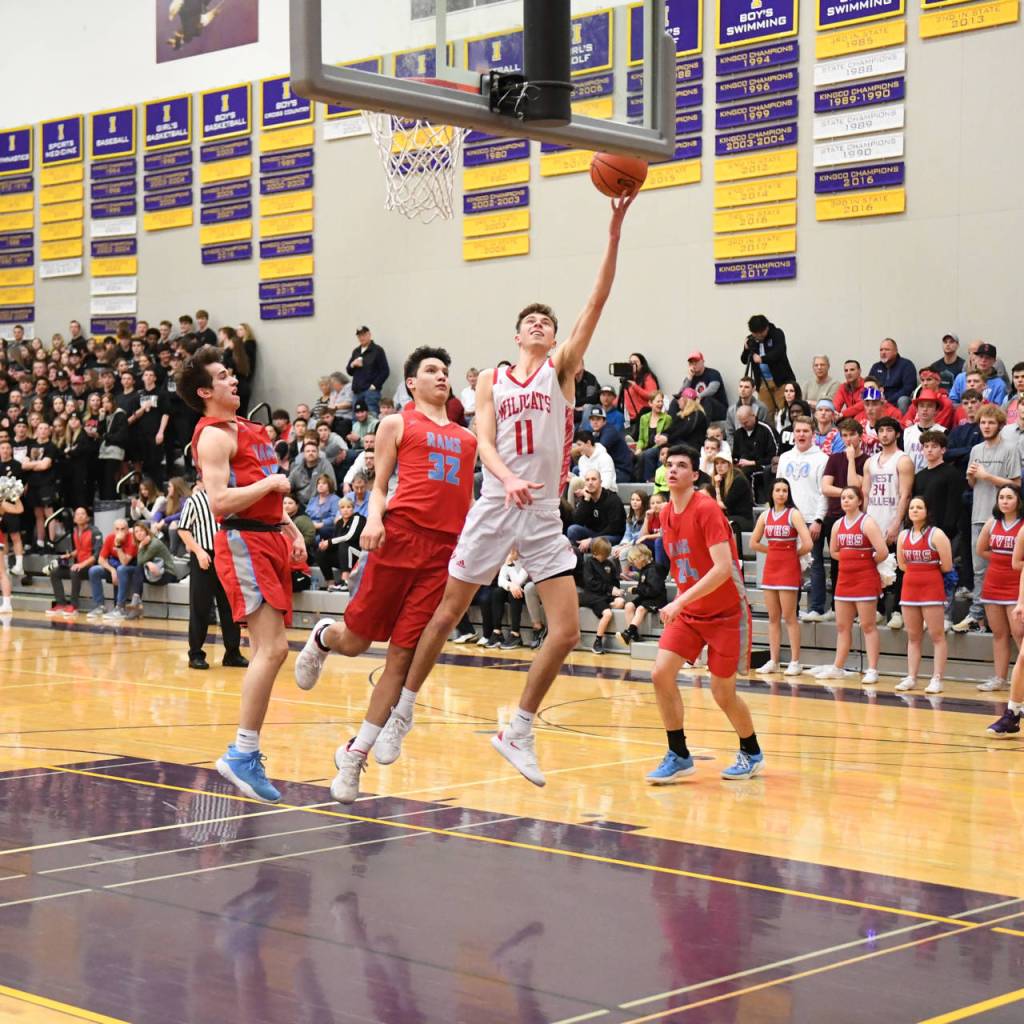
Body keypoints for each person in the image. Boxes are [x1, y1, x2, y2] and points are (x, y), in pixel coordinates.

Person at [368, 195, 634, 787]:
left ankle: (517, 728)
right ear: (516, 333)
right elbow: (483, 440)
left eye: (548, 323)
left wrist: (613, 232)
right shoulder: (492, 378)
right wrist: (506, 476)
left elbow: (597, 300)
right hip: (495, 503)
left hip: (541, 513)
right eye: (531, 322)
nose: (540, 327)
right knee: (447, 613)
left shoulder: (559, 369)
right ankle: (401, 713)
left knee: (566, 632)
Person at [292, 347, 478, 803]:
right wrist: (374, 520)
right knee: (355, 642)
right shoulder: (396, 424)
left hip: (442, 554)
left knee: (400, 658)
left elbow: (466, 502)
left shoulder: (468, 439)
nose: (441, 376)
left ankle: (355, 756)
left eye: (445, 371)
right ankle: (322, 638)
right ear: (411, 383)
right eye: (431, 370)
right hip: (399, 537)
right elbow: (379, 486)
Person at [181, 345, 304, 804]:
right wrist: (270, 486)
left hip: (270, 535)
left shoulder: (251, 428)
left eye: (232, 373)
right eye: (222, 376)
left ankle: (244, 753)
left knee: (274, 649)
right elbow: (218, 502)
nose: (233, 379)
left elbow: (267, 492)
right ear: (204, 391)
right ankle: (242, 752)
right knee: (270, 649)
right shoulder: (212, 436)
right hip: (242, 541)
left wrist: (290, 526)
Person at [644, 445, 763, 783]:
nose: (673, 470)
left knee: (722, 693)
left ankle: (751, 751)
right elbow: (682, 563)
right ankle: (679, 754)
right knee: (660, 674)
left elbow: (724, 568)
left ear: (695, 475)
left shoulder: (706, 508)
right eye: (669, 465)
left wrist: (679, 601)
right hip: (691, 611)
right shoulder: (665, 512)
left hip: (725, 611)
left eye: (682, 465)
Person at [955, 404, 1022, 634]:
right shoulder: (976, 450)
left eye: (991, 422)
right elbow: (973, 484)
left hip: (1003, 518)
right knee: (979, 569)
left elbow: (1016, 485)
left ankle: (984, 614)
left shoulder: (1010, 449)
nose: (986, 426)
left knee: (1004, 567)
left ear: (1000, 425)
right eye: (983, 422)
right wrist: (972, 477)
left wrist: (986, 475)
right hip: (979, 514)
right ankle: (979, 616)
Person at [813, 488, 888, 684]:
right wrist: (851, 557)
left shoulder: (867, 522)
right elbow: (835, 551)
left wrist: (863, 560)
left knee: (868, 625)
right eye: (843, 498)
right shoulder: (838, 524)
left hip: (865, 579)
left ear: (860, 501)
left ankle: (872, 669)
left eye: (850, 497)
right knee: (842, 626)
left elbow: (882, 551)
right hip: (845, 580)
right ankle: (838, 667)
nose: (846, 500)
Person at [177, 479, 247, 671]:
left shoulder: (232, 500)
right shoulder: (195, 500)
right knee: (200, 607)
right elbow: (183, 530)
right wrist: (198, 552)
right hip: (204, 556)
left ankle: (232, 653)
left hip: (228, 557)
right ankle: (196, 654)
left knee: (230, 608)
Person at [750, 479, 812, 676]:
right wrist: (772, 550)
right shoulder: (765, 515)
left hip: (788, 569)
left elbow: (808, 543)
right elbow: (753, 542)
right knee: (773, 617)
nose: (781, 494)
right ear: (772, 493)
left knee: (789, 616)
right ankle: (774, 661)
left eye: (785, 490)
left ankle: (795, 661)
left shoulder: (793, 514)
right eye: (777, 490)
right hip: (771, 569)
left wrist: (793, 554)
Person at [895, 496, 952, 694]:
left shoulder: (937, 535)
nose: (915, 510)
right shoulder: (903, 536)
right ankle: (911, 676)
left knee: (937, 635)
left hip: (931, 589)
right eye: (912, 507)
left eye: (919, 507)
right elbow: (902, 565)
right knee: (913, 636)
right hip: (909, 589)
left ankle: (937, 679)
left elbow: (947, 565)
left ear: (927, 511)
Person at [863, 416, 915, 629]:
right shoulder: (870, 462)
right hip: (873, 520)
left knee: (899, 569)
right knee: (874, 567)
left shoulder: (903, 460)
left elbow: (905, 495)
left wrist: (896, 523)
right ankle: (879, 608)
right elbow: (865, 494)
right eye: (881, 430)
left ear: (897, 433)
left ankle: (897, 611)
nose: (884, 434)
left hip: (893, 519)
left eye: (888, 430)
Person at [976, 485, 1024, 692]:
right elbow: (981, 549)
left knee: (1019, 633)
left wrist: (1012, 563)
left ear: (1018, 501)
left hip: (1017, 584)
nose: (1004, 501)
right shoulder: (992, 522)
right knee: (999, 633)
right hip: (994, 582)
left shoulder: (1023, 525)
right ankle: (999, 678)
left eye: (1009, 497)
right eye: (1001, 497)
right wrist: (1001, 559)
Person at [45, 507, 100, 616]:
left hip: (91, 567)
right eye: (77, 514)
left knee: (74, 571)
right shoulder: (75, 532)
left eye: (83, 514)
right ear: (74, 519)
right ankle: (61, 604)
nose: (80, 516)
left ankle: (74, 606)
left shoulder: (95, 532)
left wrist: (81, 564)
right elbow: (79, 550)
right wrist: (69, 555)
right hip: (78, 565)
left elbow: (96, 555)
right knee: (55, 572)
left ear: (87, 518)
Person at [86, 518, 139, 620]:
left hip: (131, 569)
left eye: (123, 529)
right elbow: (101, 560)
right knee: (94, 571)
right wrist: (112, 570)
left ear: (128, 530)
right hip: (116, 568)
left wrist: (118, 545)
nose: (120, 532)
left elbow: (124, 562)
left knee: (121, 569)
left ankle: (120, 608)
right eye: (117, 529)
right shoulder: (110, 538)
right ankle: (99, 606)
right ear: (113, 530)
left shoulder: (132, 540)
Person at [580, 537, 625, 654]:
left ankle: (606, 604)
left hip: (605, 595)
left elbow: (615, 580)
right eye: (603, 554)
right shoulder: (589, 563)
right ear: (595, 552)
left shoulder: (609, 563)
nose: (605, 557)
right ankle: (597, 641)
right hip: (593, 595)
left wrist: (617, 590)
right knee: (608, 614)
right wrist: (610, 589)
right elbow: (590, 583)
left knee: (620, 602)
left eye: (607, 554)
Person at [742, 314, 794, 414]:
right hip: (762, 382)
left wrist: (762, 359)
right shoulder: (751, 339)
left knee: (784, 411)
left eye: (760, 334)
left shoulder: (777, 334)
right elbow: (744, 360)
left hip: (781, 380)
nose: (758, 337)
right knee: (765, 412)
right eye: (755, 334)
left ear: (766, 328)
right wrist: (746, 349)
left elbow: (779, 352)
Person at [617, 543, 668, 645]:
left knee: (640, 609)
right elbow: (645, 588)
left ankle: (629, 633)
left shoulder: (654, 569)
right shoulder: (644, 569)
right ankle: (634, 634)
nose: (633, 565)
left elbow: (654, 590)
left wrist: (636, 590)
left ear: (641, 558)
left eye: (634, 561)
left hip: (657, 599)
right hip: (647, 597)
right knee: (629, 606)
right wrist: (637, 589)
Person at [567, 468, 626, 550]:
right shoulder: (587, 498)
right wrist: (586, 500)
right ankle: (577, 556)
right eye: (587, 480)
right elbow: (577, 521)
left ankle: (588, 548)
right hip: (593, 533)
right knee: (572, 530)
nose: (590, 482)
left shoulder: (613, 499)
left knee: (597, 541)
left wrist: (592, 540)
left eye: (594, 479)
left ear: (600, 482)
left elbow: (614, 528)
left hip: (611, 536)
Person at [731, 403, 778, 501]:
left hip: (764, 465)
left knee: (746, 472)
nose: (744, 425)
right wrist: (736, 462)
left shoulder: (766, 430)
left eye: (746, 422)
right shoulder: (738, 434)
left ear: (753, 416)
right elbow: (735, 455)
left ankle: (750, 501)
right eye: (741, 423)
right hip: (743, 465)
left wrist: (753, 462)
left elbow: (774, 455)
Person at [346, 326, 390, 416]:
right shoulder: (356, 351)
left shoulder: (377, 350)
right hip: (356, 392)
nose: (362, 338)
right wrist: (353, 364)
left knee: (371, 415)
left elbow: (385, 371)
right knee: (356, 418)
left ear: (369, 335)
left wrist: (374, 385)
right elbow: (349, 371)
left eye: (364, 335)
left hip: (370, 392)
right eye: (359, 336)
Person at [711, 453, 754, 539]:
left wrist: (716, 487)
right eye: (717, 463)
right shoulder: (721, 479)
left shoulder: (738, 480)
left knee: (715, 523)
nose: (719, 466)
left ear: (729, 464)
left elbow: (723, 506)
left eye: (723, 463)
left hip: (742, 520)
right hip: (728, 517)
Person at [675, 351, 727, 423]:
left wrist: (698, 397)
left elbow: (713, 389)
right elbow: (680, 395)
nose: (693, 365)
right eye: (691, 363)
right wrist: (689, 378)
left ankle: (704, 428)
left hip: (719, 410)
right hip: (699, 411)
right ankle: (672, 428)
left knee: (706, 400)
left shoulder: (713, 373)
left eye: (696, 362)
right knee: (675, 401)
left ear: (702, 362)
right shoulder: (690, 378)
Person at [868, 338, 917, 413]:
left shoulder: (906, 365)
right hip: (879, 401)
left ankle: (902, 424)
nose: (883, 352)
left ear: (895, 351)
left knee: (903, 400)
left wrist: (888, 401)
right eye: (881, 350)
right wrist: (879, 400)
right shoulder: (876, 367)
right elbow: (869, 386)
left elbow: (908, 388)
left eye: (887, 350)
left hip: (897, 401)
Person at [901, 389, 945, 469]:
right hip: (910, 477)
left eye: (930, 406)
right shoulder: (906, 432)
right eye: (921, 405)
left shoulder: (943, 432)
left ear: (936, 410)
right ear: (917, 409)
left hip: (933, 478)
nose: (925, 409)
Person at [587, 407, 633, 482]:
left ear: (604, 421)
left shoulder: (609, 431)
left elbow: (600, 450)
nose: (595, 422)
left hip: (621, 472)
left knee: (590, 478)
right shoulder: (595, 433)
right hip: (609, 469)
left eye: (598, 419)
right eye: (592, 419)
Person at [620, 352, 659, 423]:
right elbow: (622, 397)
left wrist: (635, 387)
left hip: (643, 417)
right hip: (629, 419)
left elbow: (652, 396)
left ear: (642, 365)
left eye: (635, 362)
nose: (632, 364)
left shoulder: (648, 377)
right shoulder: (628, 379)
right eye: (630, 362)